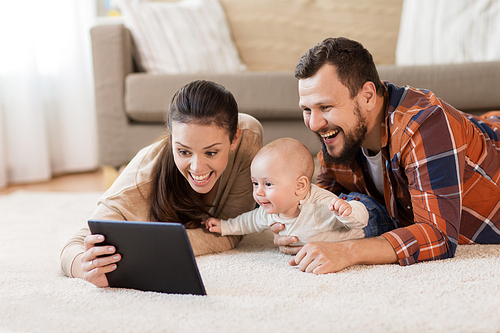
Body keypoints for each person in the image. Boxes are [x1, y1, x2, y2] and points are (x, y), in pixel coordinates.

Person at [272, 37, 500, 274]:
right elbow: (318, 202)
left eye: (326, 107)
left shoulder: (425, 125)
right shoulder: (339, 136)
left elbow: (438, 234)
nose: (314, 123)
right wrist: (294, 226)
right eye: (307, 110)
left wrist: (349, 251)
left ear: (368, 96)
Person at [60, 80, 263, 287]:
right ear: (171, 137)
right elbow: (73, 246)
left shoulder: (247, 137)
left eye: (211, 152)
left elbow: (233, 231)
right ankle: (122, 170)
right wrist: (83, 267)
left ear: (234, 139)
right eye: (184, 151)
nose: (197, 167)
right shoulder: (140, 181)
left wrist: (160, 247)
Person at [205, 137, 394, 247]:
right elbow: (249, 221)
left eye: (268, 184)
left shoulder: (320, 204)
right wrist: (224, 226)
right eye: (255, 183)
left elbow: (361, 219)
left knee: (388, 221)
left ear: (300, 186)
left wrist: (347, 210)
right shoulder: (270, 212)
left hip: (367, 217)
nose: (259, 193)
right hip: (348, 217)